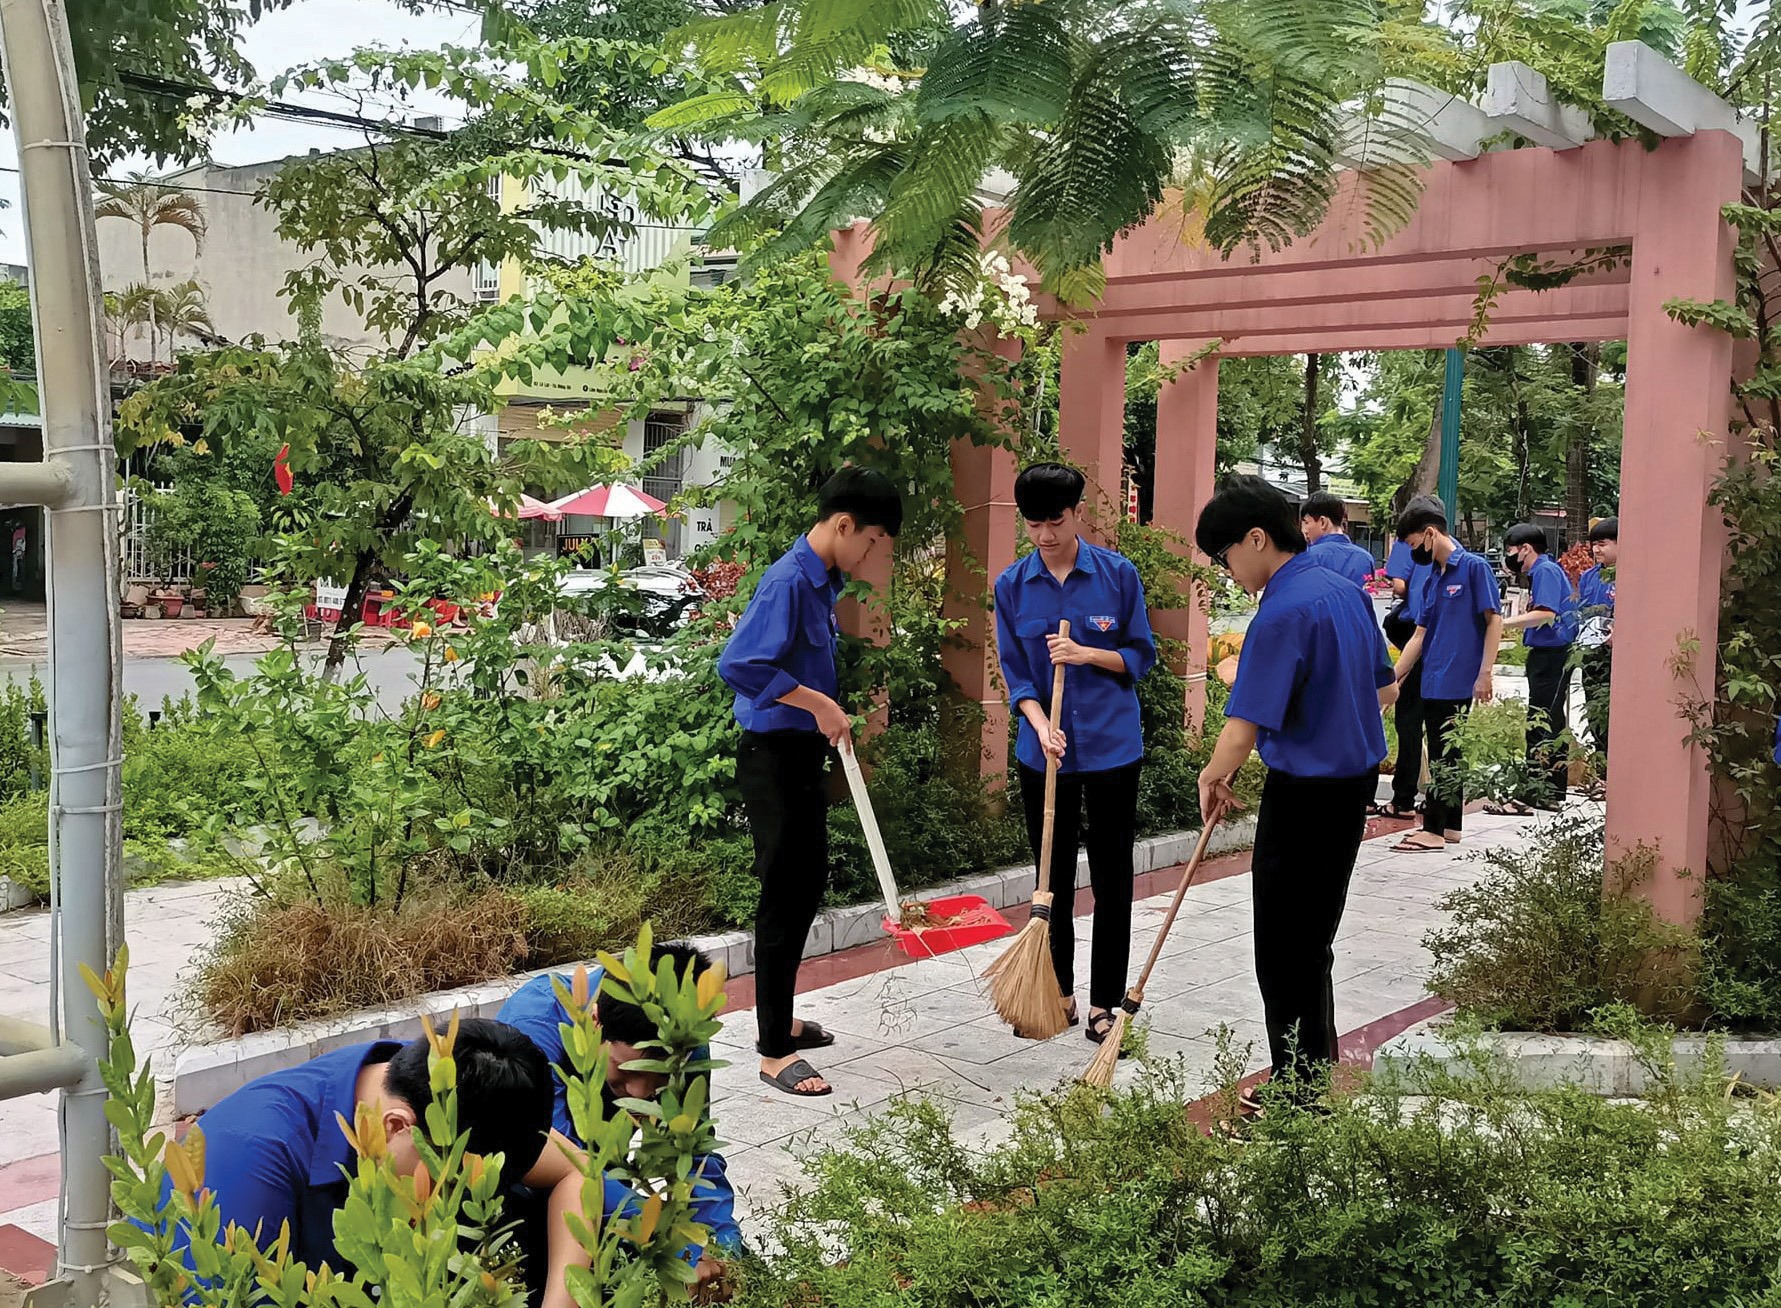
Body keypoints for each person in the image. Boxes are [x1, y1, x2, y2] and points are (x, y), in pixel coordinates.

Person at [1194, 476, 1397, 1106]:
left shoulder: (1281, 611)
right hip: (1351, 783)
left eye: (1225, 556)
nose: (1228, 572)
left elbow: (1243, 725)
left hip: (1307, 791)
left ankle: (1299, 1090)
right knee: (1311, 937)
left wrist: (1212, 774)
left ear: (1257, 539)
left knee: (1283, 945)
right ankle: (1311, 1074)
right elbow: (1383, 689)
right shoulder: (1343, 592)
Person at [154, 1020, 600, 1305]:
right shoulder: (249, 1157)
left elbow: (578, 1169)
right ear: (396, 1125)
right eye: (450, 1186)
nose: (450, 1205)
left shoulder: (448, 1093)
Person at [717, 465, 903, 1097]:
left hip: (799, 754)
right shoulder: (789, 582)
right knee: (785, 894)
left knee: (807, 881)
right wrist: (819, 704)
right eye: (874, 543)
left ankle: (781, 1014)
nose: (873, 558)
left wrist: (823, 713)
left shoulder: (821, 581)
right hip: (772, 757)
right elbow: (739, 663)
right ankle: (772, 1051)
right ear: (845, 526)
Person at [993, 462, 1157, 1045]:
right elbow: (1016, 676)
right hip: (1046, 753)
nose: (1044, 536)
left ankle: (1104, 1003)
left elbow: (1140, 656)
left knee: (1113, 876)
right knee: (1051, 875)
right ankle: (1055, 993)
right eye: (1033, 524)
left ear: (1077, 513)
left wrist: (1087, 654)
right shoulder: (1012, 586)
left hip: (1113, 746)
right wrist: (1039, 725)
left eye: (1054, 522)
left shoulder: (1117, 576)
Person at [496, 944, 740, 1294]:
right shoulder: (530, 1033)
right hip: (515, 1196)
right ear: (595, 1020)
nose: (640, 1095)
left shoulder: (683, 1037)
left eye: (658, 1077)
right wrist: (678, 1249)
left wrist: (723, 1248)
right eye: (626, 1070)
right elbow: (565, 1172)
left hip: (599, 1199)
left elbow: (694, 1154)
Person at [1387, 499, 1503, 853]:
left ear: (1430, 533)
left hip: (1458, 678)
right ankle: (1451, 825)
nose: (1411, 553)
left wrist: (1485, 673)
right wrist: (1393, 678)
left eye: (1411, 545)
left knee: (1444, 755)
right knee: (1446, 751)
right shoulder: (1434, 579)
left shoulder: (1472, 568)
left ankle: (1433, 830)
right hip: (1433, 677)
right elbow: (1419, 636)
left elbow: (1494, 620)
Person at [1497, 523, 1578, 813]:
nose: (1509, 558)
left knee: (1541, 721)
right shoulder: (1544, 572)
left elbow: (1545, 613)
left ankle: (1538, 790)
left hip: (1551, 653)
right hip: (1549, 653)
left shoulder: (1544, 571)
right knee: (1551, 719)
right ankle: (1549, 790)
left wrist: (1502, 624)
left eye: (1510, 551)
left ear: (1525, 549)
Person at [1371, 522, 1434, 820]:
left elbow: (1400, 587)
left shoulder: (1413, 551)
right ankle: (1432, 802)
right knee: (1436, 726)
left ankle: (1405, 799)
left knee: (1409, 721)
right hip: (1429, 643)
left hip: (1420, 637)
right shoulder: (1453, 561)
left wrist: (1395, 675)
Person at [1575, 517, 1617, 795]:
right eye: (1594, 545)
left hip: (1614, 654)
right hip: (1590, 651)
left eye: (1602, 544)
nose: (1596, 550)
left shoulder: (1626, 574)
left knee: (1612, 712)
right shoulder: (1589, 576)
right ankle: (1602, 774)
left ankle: (1615, 775)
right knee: (1594, 711)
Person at [1298, 491, 1376, 587]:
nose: (1304, 530)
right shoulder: (1366, 558)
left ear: (1323, 522)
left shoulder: (1308, 556)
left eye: (1306, 522)